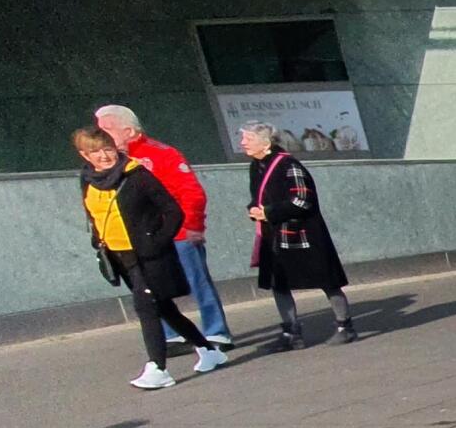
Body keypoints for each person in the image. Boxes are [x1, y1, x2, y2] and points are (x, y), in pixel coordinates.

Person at [76, 127, 225, 390]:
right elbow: (94, 215)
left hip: (148, 255)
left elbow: (172, 211)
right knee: (163, 307)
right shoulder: (88, 179)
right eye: (95, 151)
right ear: (84, 155)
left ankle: (158, 368)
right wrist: (98, 241)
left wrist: (155, 241)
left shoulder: (137, 176)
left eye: (108, 148)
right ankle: (208, 349)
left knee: (146, 308)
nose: (104, 156)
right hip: (118, 256)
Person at [96, 104, 230, 349]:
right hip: (144, 239)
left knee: (197, 282)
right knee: (154, 289)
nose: (101, 136)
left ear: (128, 130)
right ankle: (173, 335)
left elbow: (192, 193)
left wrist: (193, 225)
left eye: (107, 129)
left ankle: (216, 332)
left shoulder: (161, 154)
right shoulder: (114, 163)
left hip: (178, 233)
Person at [239, 122, 354, 349]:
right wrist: (254, 209)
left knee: (326, 280)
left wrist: (269, 212)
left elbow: (303, 200)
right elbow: (259, 195)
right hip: (274, 234)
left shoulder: (288, 165)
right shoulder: (256, 166)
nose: (243, 143)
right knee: (278, 283)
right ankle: (291, 333)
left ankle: (345, 327)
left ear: (266, 142)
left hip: (303, 233)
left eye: (248, 139)